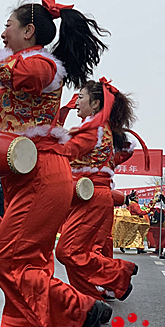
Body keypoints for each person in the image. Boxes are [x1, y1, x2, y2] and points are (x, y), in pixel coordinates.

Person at [0, 0, 112, 327]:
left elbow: (26, 75)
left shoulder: (44, 65)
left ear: (28, 31)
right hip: (25, 175)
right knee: (29, 266)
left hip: (42, 176)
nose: (2, 33)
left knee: (6, 263)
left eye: (8, 26)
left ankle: (83, 310)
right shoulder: (28, 63)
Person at [56, 79, 140, 303]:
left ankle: (118, 273)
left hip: (91, 197)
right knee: (77, 256)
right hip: (85, 197)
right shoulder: (99, 129)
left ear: (95, 104)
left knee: (67, 252)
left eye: (80, 98)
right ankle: (90, 304)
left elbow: (65, 151)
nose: (76, 103)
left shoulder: (94, 130)